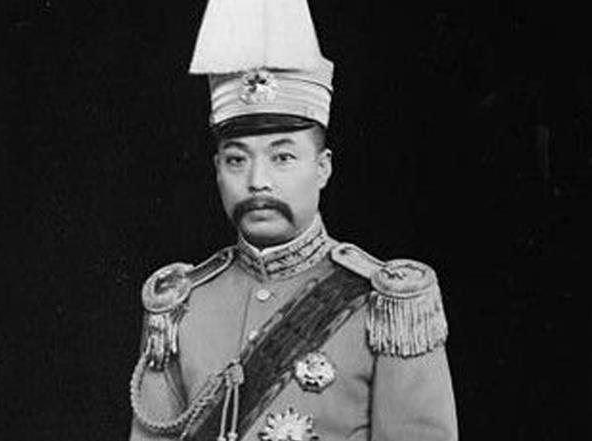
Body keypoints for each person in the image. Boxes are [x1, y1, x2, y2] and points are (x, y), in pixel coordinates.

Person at [129, 1, 457, 440]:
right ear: (217, 170)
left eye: (282, 157)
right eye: (237, 159)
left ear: (322, 168)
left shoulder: (387, 309)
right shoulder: (181, 308)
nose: (257, 181)